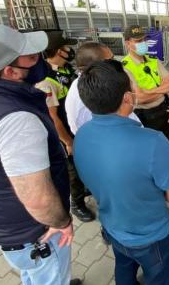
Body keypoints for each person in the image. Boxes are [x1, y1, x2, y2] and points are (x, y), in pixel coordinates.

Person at [0, 24, 79, 285]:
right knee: (50, 275)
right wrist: (61, 221)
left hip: (7, 225)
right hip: (37, 232)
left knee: (33, 273)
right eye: (33, 57)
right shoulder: (17, 120)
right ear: (10, 71)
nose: (41, 61)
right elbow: (37, 199)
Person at [73, 59, 169, 284]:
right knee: (158, 278)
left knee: (123, 267)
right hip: (151, 237)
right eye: (133, 88)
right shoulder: (153, 142)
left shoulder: (81, 135)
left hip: (112, 227)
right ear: (127, 98)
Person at [35, 31, 94, 222]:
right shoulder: (46, 80)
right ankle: (76, 204)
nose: (70, 51)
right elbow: (53, 117)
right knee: (73, 171)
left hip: (80, 127)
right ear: (58, 51)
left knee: (85, 163)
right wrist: (68, 142)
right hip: (65, 134)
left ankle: (86, 188)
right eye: (67, 48)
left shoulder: (67, 69)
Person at [121, 25, 169, 180]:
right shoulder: (124, 67)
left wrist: (148, 91)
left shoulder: (153, 60)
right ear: (128, 43)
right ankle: (157, 178)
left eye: (143, 39)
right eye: (137, 40)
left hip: (164, 110)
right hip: (145, 116)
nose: (142, 43)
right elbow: (139, 98)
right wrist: (161, 89)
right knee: (152, 151)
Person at [65, 42, 141, 134]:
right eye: (111, 60)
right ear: (96, 66)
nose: (116, 63)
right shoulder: (88, 92)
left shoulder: (102, 81)